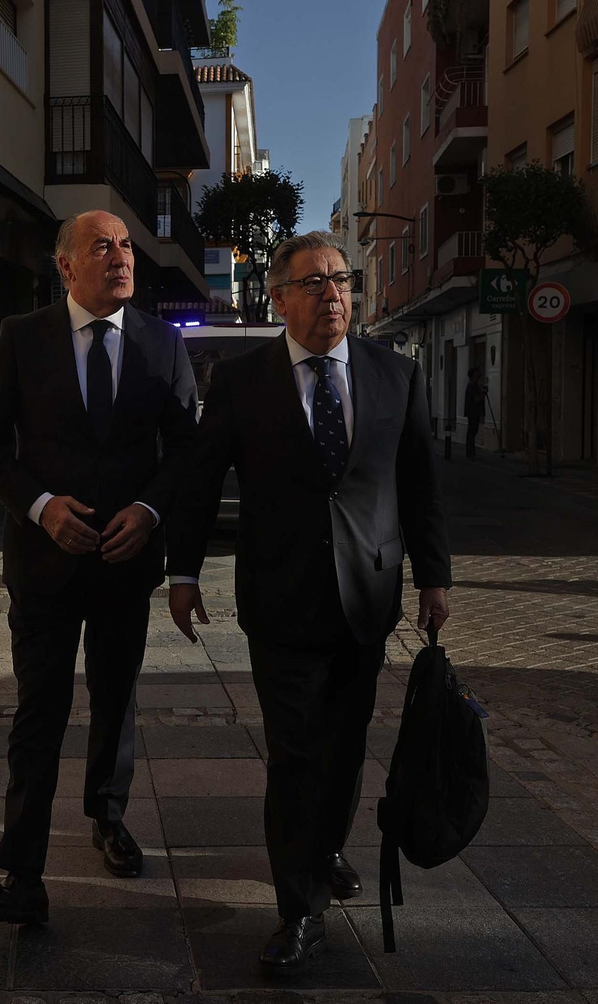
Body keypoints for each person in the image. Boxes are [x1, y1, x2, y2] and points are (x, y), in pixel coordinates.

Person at [166, 231, 450, 974]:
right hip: (281, 596)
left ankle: (323, 850)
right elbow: (199, 479)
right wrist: (183, 571)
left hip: (367, 594)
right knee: (294, 753)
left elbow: (418, 483)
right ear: (281, 296)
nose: (332, 295)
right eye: (314, 283)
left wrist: (436, 576)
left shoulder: (397, 375)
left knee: (346, 745)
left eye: (341, 280)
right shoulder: (241, 379)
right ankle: (299, 909)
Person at [0, 210, 199, 925]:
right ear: (66, 265)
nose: (122, 257)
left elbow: (185, 452)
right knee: (40, 710)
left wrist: (150, 511)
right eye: (104, 246)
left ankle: (108, 815)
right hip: (45, 562)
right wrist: (40, 506)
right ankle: (24, 872)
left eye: (126, 245)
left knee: (116, 696)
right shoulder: (23, 337)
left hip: (127, 562)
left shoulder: (162, 345)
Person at [463, 366, 485, 458]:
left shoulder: (473, 385)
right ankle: (470, 452)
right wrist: (483, 394)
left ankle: (470, 451)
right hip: (473, 412)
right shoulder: (472, 385)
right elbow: (476, 400)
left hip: (472, 411)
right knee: (473, 431)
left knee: (472, 431)